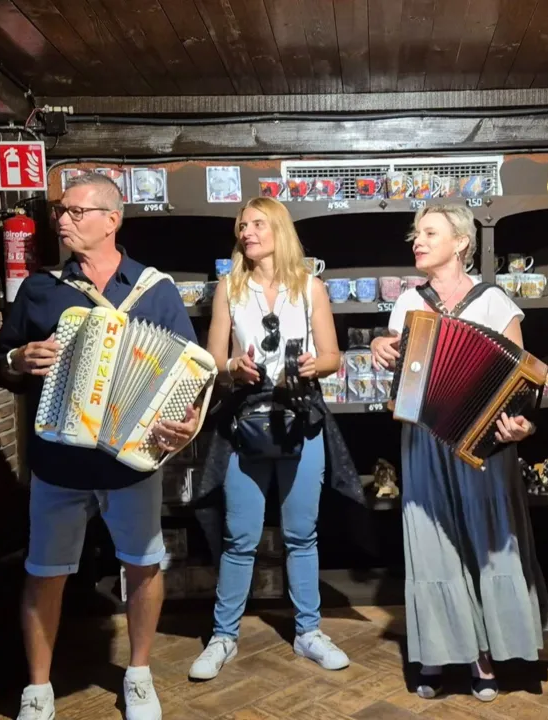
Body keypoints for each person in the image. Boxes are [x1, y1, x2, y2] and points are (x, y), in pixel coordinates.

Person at [0, 172, 200, 720]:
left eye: (75, 211)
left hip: (130, 464)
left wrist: (187, 423)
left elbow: (189, 373)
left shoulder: (155, 289)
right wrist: (18, 359)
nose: (62, 220)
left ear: (112, 220)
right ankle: (38, 688)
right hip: (59, 462)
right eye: (61, 211)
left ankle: (138, 674)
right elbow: (2, 360)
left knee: (144, 566)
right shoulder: (41, 288)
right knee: (45, 571)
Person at [370, 204, 548, 702]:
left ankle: (485, 653)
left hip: (482, 444)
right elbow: (403, 372)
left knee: (485, 540)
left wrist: (519, 425)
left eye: (430, 232)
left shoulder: (494, 302)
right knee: (431, 543)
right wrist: (382, 346)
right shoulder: (409, 302)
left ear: (461, 243)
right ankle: (438, 650)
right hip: (425, 440)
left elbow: (523, 382)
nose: (418, 240)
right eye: (416, 233)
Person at [188, 197, 351, 680]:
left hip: (301, 417)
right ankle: (223, 636)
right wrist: (233, 366)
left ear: (280, 230)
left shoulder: (311, 287)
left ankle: (308, 632)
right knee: (240, 537)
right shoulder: (229, 289)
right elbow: (212, 360)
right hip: (247, 421)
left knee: (302, 533)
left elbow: (334, 356)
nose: (247, 233)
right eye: (242, 226)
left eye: (258, 224)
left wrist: (315, 365)